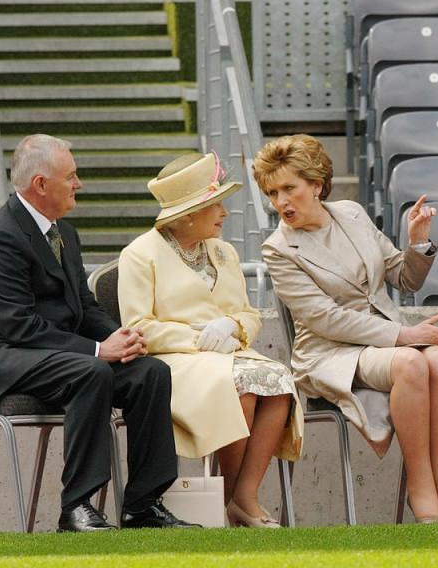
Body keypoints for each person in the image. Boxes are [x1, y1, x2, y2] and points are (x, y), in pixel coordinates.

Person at [0, 134, 196, 532]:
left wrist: (124, 338)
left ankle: (143, 505)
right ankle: (77, 507)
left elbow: (83, 307)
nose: (79, 184)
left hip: (51, 354)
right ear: (41, 185)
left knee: (150, 372)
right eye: (72, 176)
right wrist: (100, 350)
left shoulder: (63, 231)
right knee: (91, 370)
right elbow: (17, 326)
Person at [256, 134, 438, 524]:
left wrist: (418, 243)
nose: (280, 202)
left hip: (384, 341)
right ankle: (421, 489)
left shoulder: (350, 213)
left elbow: (404, 278)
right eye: (272, 192)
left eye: (288, 189)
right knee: (413, 364)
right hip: (329, 353)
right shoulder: (278, 248)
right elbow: (324, 318)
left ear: (316, 184)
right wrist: (405, 335)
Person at [118, 152, 304, 528]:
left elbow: (248, 313)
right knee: (242, 387)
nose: (225, 213)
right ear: (188, 213)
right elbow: (137, 327)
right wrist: (199, 338)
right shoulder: (139, 254)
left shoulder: (224, 251)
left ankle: (242, 497)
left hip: (230, 354)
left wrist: (233, 328)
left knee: (281, 382)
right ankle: (240, 503)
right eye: (216, 204)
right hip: (175, 361)